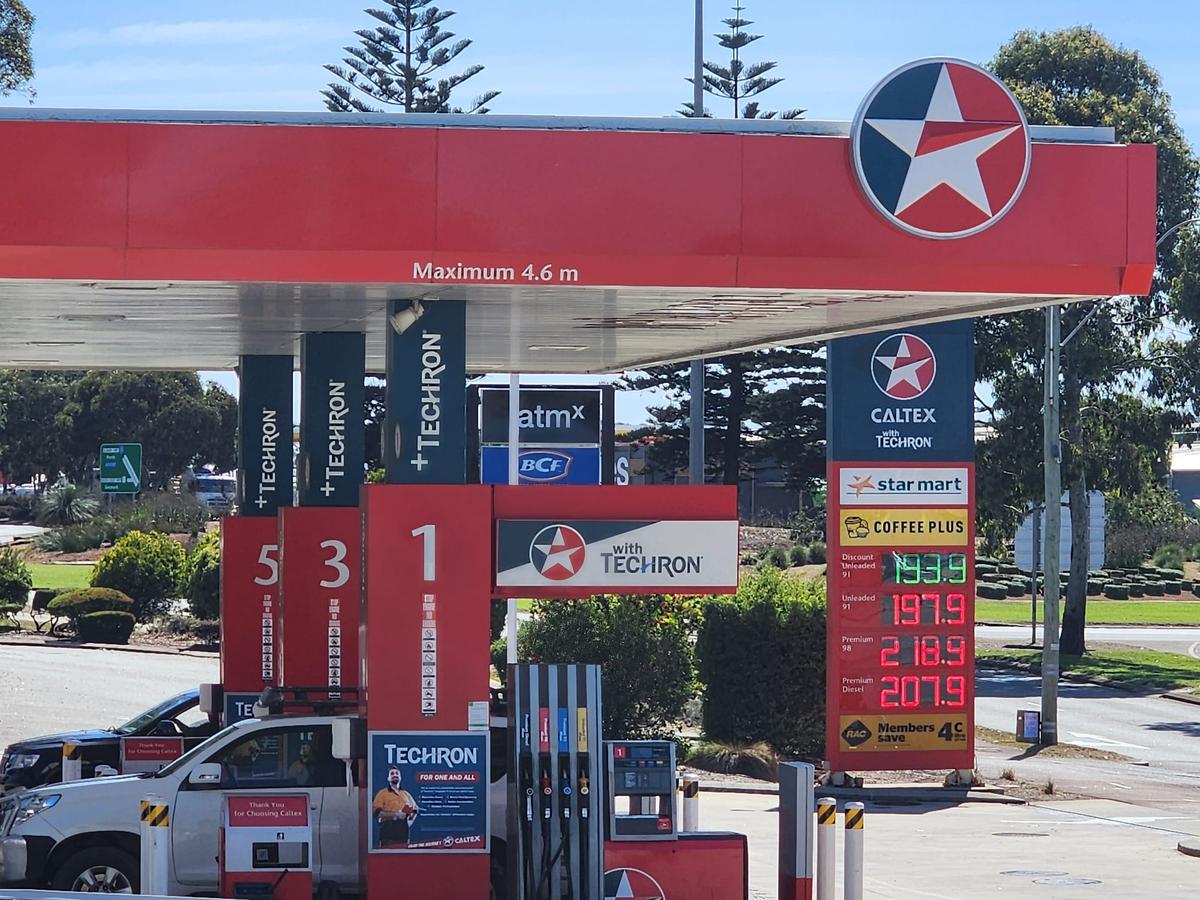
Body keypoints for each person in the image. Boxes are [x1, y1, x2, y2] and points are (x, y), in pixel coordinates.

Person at [372, 766, 419, 848]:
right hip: (387, 834)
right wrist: (396, 814)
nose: (395, 775)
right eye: (392, 773)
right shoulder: (382, 793)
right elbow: (376, 813)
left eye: (397, 773)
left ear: (400, 777)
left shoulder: (406, 794)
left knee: (403, 855)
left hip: (404, 835)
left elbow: (415, 809)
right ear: (388, 778)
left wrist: (409, 821)